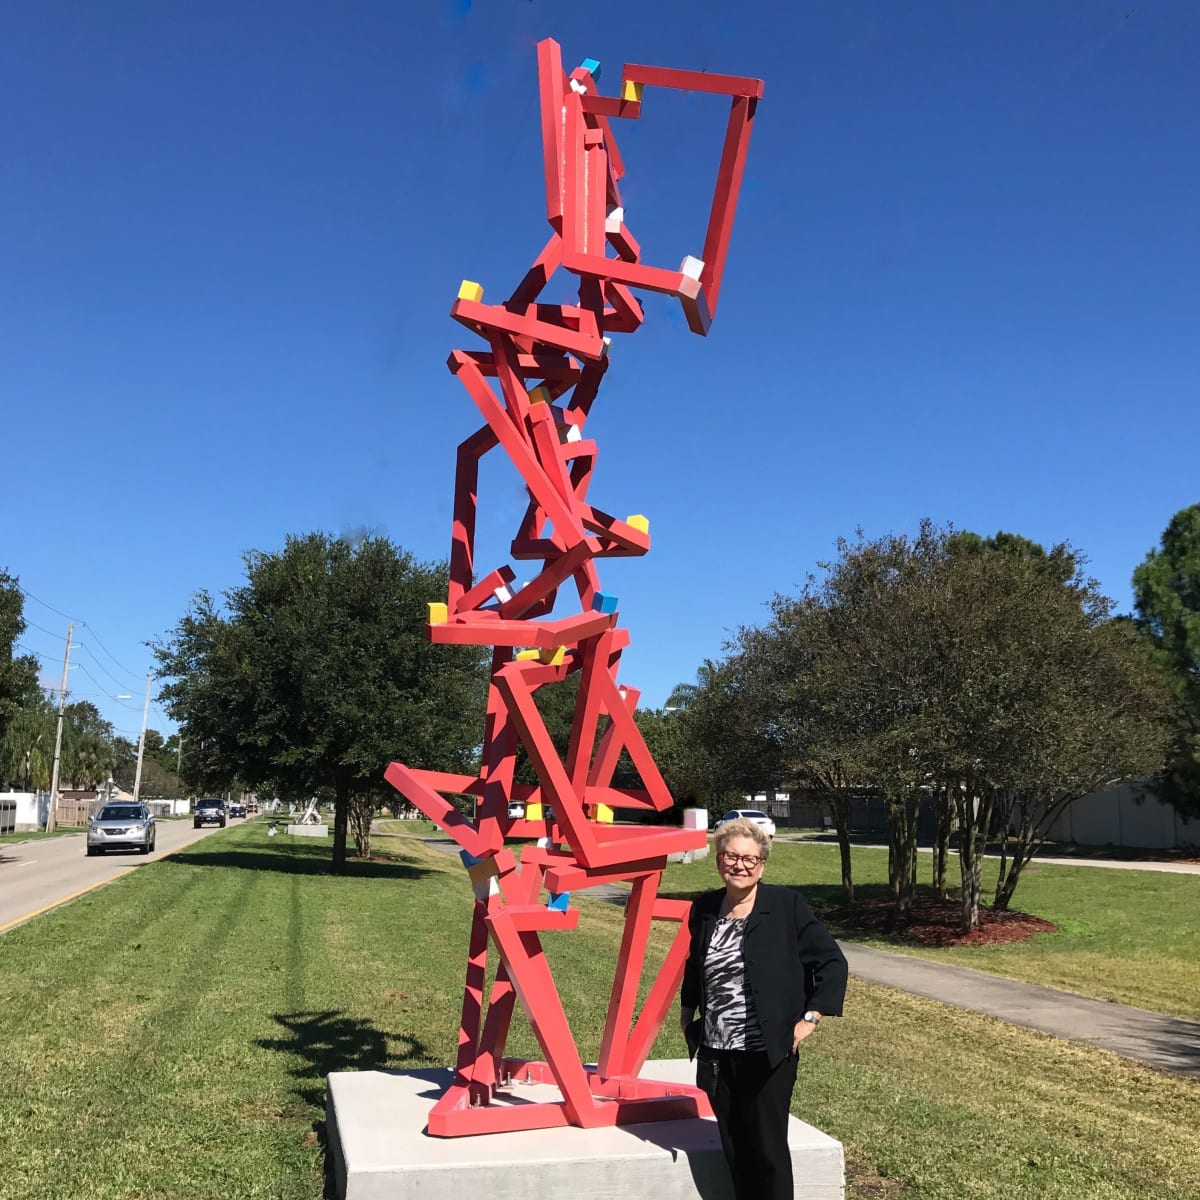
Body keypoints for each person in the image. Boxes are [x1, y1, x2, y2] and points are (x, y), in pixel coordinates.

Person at [680, 817, 848, 1200]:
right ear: (719, 859)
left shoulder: (785, 906)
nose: (738, 865)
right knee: (735, 1143)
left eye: (749, 859)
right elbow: (696, 963)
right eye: (730, 856)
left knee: (767, 1148)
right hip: (718, 1049)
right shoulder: (705, 908)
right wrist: (687, 1011)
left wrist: (811, 1016)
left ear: (762, 865)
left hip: (767, 1051)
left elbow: (831, 962)